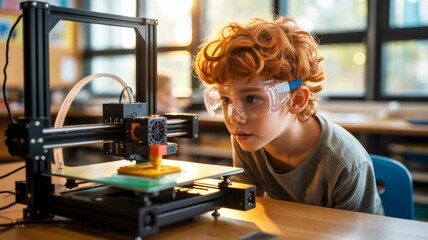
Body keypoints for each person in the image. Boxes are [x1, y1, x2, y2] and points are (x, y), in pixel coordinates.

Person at [193, 16, 384, 215]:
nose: (234, 117)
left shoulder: (345, 162)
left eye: (251, 99)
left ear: (296, 100)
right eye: (225, 100)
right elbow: (248, 210)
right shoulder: (246, 138)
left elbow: (360, 232)